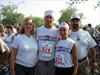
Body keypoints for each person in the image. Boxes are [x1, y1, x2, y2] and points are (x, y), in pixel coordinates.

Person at [36, 10, 59, 75]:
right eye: (47, 17)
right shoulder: (38, 30)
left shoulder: (57, 31)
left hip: (52, 61)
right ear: (44, 18)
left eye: (51, 17)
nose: (49, 19)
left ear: (53, 19)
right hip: (40, 61)